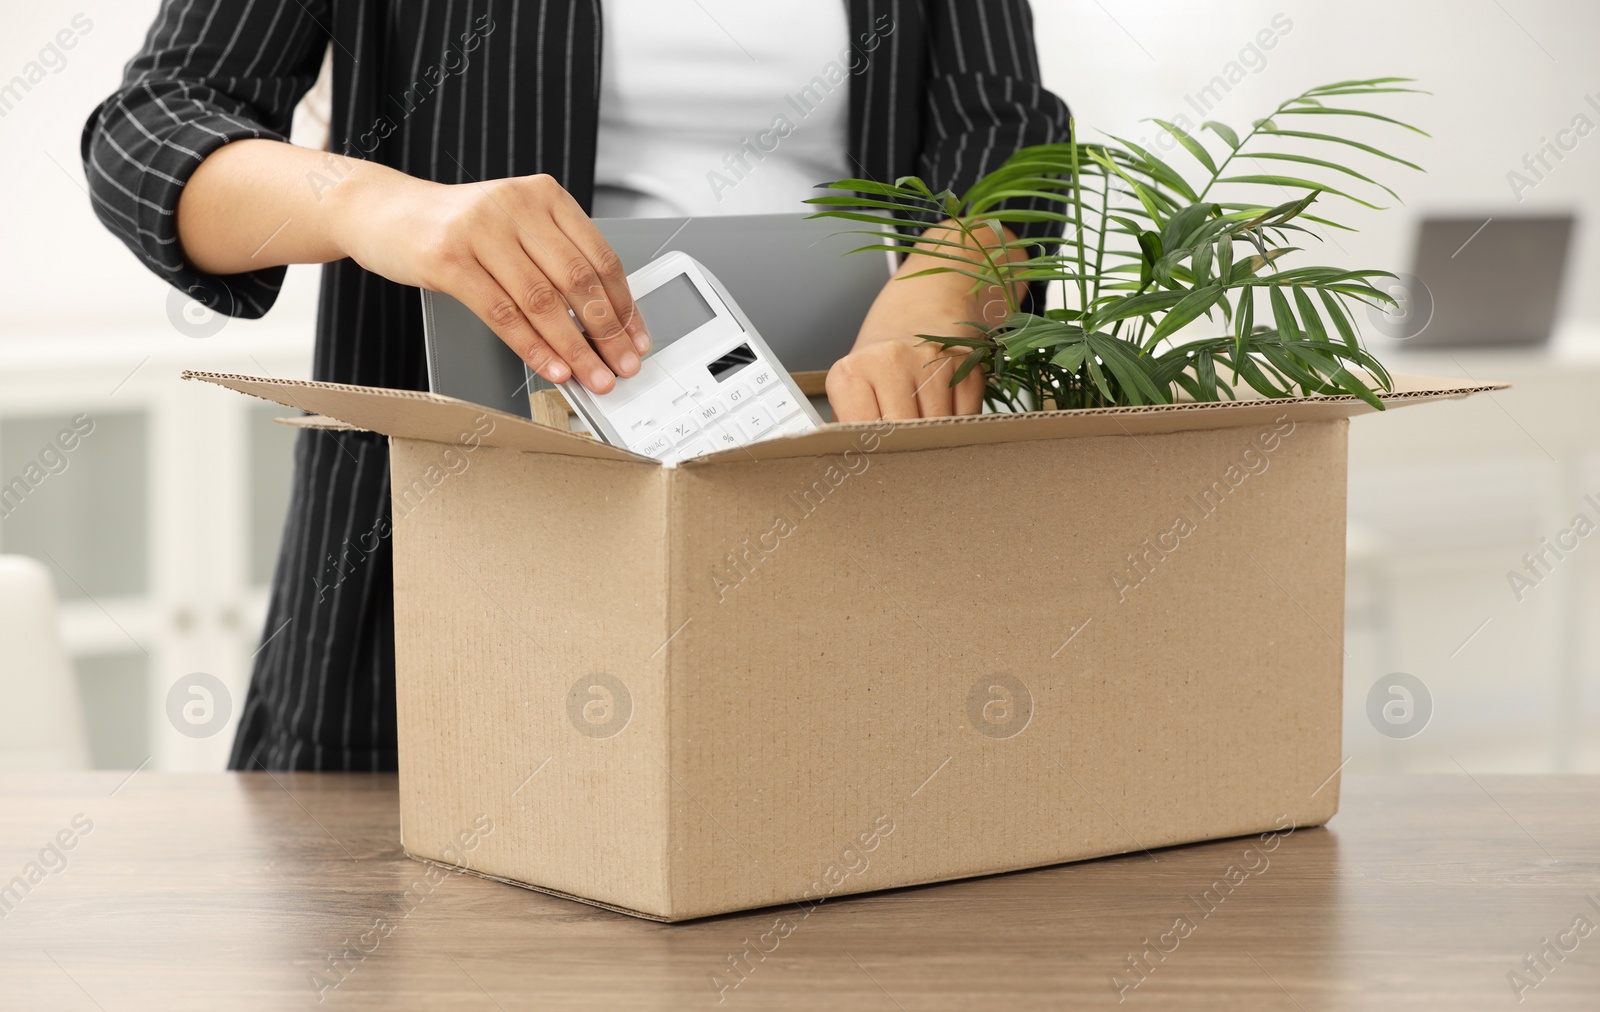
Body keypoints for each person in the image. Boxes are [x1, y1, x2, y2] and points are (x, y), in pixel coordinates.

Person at [82, 0, 1070, 771]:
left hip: (832, 509)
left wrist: (949, 290)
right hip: (459, 537)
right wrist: (373, 204)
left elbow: (1008, 130)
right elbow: (150, 129)